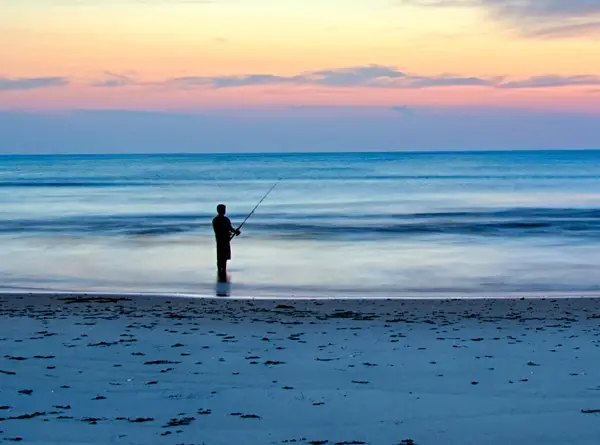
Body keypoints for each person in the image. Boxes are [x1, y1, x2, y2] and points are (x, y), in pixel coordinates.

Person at [212, 204, 241, 282]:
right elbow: (229, 229)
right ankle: (222, 273)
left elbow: (228, 229)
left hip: (220, 241)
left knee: (221, 258)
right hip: (223, 241)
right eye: (223, 209)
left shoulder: (215, 220)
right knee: (223, 258)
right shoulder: (224, 220)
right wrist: (235, 232)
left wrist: (234, 232)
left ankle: (220, 273)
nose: (224, 211)